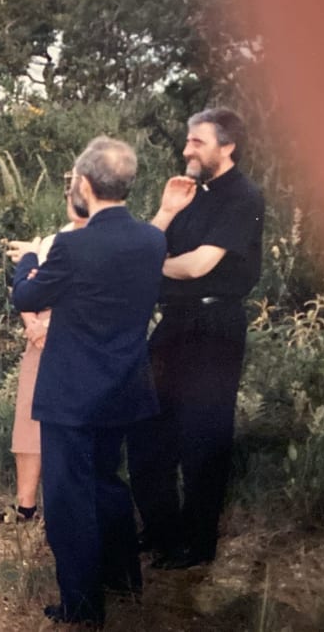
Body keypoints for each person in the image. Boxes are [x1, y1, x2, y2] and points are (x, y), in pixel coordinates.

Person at [9, 137, 166, 627]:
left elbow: (26, 297)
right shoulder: (152, 240)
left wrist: (30, 258)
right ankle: (123, 579)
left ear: (84, 183)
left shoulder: (70, 246)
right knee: (108, 482)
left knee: (69, 499)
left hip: (72, 395)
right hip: (124, 387)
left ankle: (81, 605)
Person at [127, 108, 265, 569]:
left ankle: (197, 544)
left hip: (215, 327)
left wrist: (154, 264)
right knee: (146, 426)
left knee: (203, 435)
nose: (186, 149)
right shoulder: (188, 194)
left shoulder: (243, 196)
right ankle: (161, 530)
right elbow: (146, 247)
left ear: (228, 146)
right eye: (187, 140)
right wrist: (167, 210)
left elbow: (198, 266)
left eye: (197, 142)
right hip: (175, 323)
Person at [0, 175, 89, 524]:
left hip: (75, 337)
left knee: (69, 425)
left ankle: (68, 509)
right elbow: (28, 287)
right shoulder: (54, 240)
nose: (72, 197)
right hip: (38, 334)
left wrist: (50, 327)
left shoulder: (101, 242)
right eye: (69, 191)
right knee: (28, 415)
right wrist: (32, 324)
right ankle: (25, 506)